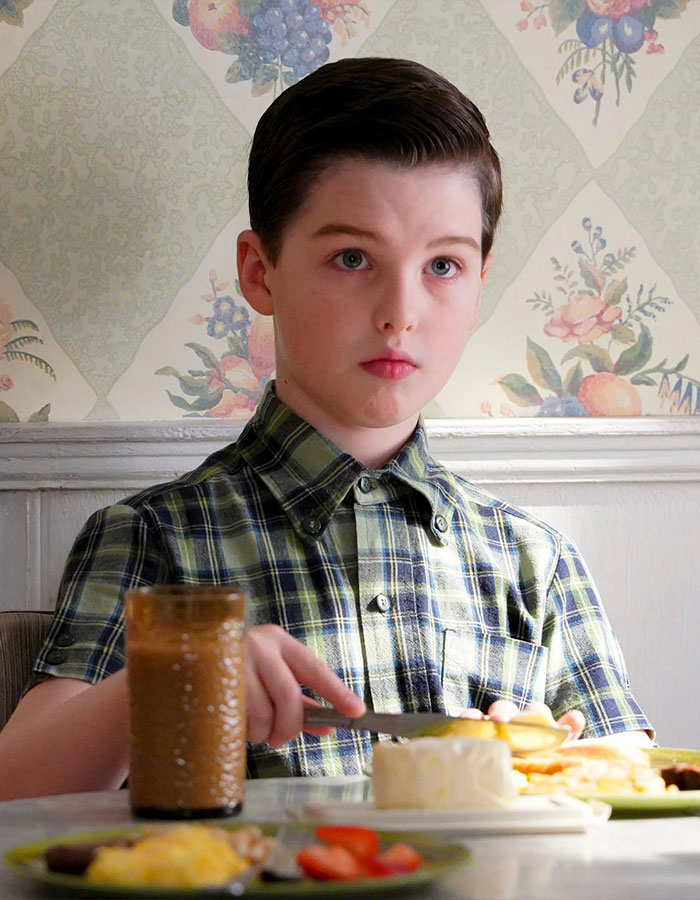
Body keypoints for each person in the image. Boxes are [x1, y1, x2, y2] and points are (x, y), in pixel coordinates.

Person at [0, 57, 652, 801]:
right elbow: (16, 793)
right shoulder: (152, 537)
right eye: (352, 258)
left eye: (443, 265)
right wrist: (179, 673)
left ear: (479, 281)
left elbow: (634, 784)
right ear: (260, 271)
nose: (400, 312)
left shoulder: (536, 561)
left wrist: (547, 761)